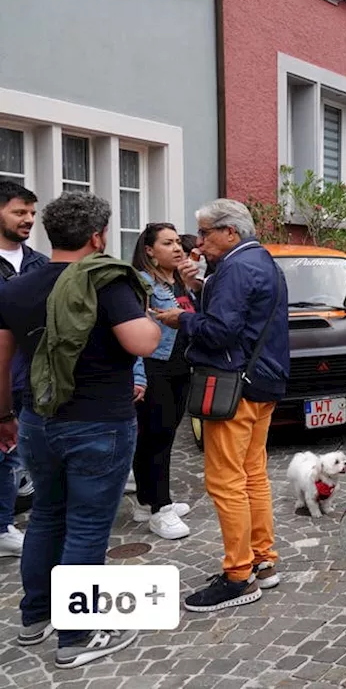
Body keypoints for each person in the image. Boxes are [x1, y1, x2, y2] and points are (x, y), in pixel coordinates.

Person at [0, 191, 160, 667]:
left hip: (36, 419)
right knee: (88, 525)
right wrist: (151, 319)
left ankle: (36, 618)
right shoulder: (106, 281)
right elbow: (141, 342)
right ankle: (77, 636)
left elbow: (1, 361)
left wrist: (4, 417)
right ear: (97, 236)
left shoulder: (17, 287)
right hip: (99, 422)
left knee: (47, 515)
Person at [154, 199, 289, 612]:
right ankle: (263, 562)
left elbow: (220, 330)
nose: (197, 243)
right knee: (252, 476)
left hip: (234, 386)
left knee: (226, 482)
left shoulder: (234, 266)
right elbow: (244, 315)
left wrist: (181, 318)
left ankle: (238, 575)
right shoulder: (261, 260)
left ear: (230, 232)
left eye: (205, 233)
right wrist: (201, 287)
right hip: (262, 382)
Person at [129, 223, 201, 540]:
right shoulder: (141, 283)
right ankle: (161, 508)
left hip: (181, 366)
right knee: (155, 436)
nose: (177, 249)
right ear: (148, 250)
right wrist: (138, 376)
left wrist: (192, 285)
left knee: (164, 435)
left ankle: (146, 500)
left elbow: (195, 319)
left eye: (178, 243)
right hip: (155, 366)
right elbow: (132, 332)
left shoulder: (179, 281)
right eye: (167, 243)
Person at [0, 181, 47, 559]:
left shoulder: (39, 263)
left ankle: (3, 527)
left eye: (32, 213)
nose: (29, 220)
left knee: (12, 457)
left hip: (27, 378)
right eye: (19, 212)